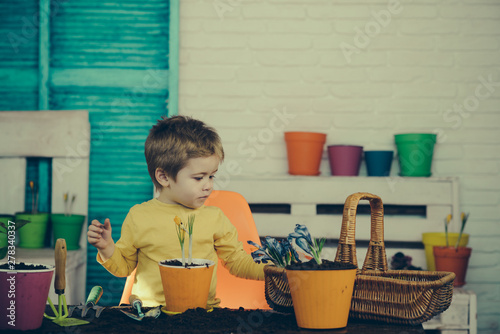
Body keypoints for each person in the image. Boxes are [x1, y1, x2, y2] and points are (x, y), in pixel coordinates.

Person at [87, 115, 265, 307]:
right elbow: (124, 268)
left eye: (211, 176)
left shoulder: (215, 218)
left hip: (202, 314)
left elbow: (237, 262)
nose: (208, 186)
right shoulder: (139, 216)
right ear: (164, 177)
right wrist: (106, 248)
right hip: (150, 315)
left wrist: (276, 271)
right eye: (199, 178)